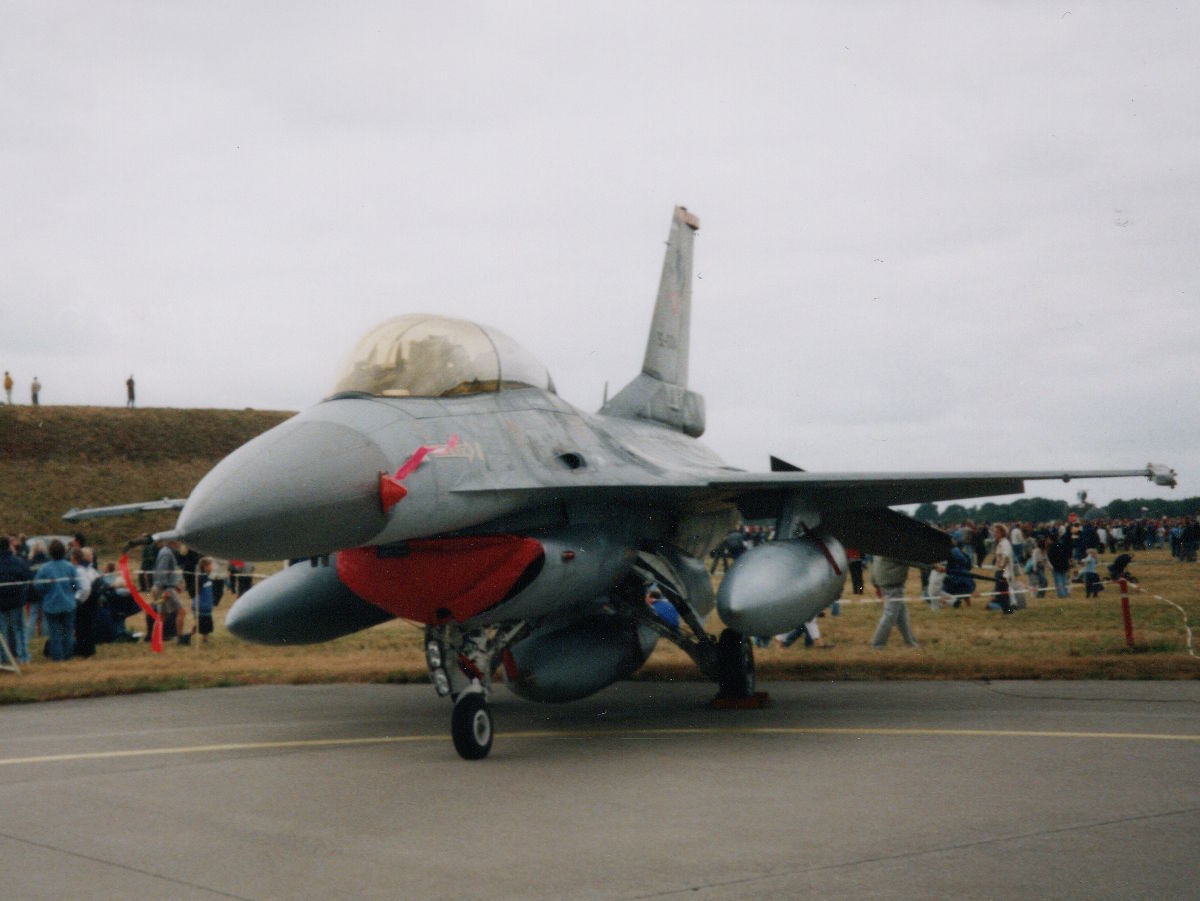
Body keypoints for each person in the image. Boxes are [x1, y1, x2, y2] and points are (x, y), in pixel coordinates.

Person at [33, 539, 76, 660]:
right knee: (68, 632)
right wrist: (71, 590)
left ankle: (57, 657)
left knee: (54, 633)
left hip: (51, 604)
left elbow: (38, 585)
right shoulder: (70, 567)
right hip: (68, 603)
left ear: (50, 553)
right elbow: (75, 584)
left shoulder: (44, 569)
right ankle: (68, 655)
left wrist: (45, 592)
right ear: (63, 552)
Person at [870, 556, 918, 648]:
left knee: (901, 616)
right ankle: (877, 644)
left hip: (884, 583)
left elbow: (874, 563)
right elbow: (913, 560)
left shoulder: (880, 546)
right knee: (890, 615)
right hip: (893, 585)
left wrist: (875, 584)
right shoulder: (897, 548)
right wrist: (934, 567)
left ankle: (911, 642)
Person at [0, 535, 32, 666]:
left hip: (1, 602)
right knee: (19, 630)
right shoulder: (18, 561)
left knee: (2, 632)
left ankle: (3, 658)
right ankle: (23, 657)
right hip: (16, 601)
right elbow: (27, 576)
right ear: (9, 546)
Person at [152, 539, 188, 642]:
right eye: (177, 541)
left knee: (162, 615)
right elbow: (162, 571)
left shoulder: (166, 552)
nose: (179, 543)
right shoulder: (167, 553)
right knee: (181, 612)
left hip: (165, 587)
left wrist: (175, 585)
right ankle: (180, 637)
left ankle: (155, 637)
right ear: (173, 542)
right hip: (166, 589)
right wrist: (165, 588)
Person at [991, 524, 1016, 614]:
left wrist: (1001, 566)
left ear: (1002, 533)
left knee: (1001, 592)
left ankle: (1008, 609)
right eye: (995, 532)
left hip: (1003, 572)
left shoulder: (1004, 543)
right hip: (1001, 571)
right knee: (1002, 591)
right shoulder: (1002, 542)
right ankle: (1008, 609)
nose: (995, 534)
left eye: (997, 532)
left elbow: (1006, 556)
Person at [193, 557, 216, 642]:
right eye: (210, 566)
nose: (212, 567)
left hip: (207, 604)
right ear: (205, 567)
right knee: (203, 623)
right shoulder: (202, 578)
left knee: (205, 623)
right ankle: (203, 638)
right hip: (202, 605)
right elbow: (196, 591)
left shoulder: (208, 577)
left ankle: (203, 637)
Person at [1047, 528, 1073, 598]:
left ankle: (1062, 595)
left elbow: (1050, 557)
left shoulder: (1052, 547)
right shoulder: (1061, 545)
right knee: (1064, 581)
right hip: (1064, 565)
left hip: (1057, 566)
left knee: (1059, 582)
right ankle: (1066, 594)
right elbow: (1068, 553)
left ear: (1050, 539)